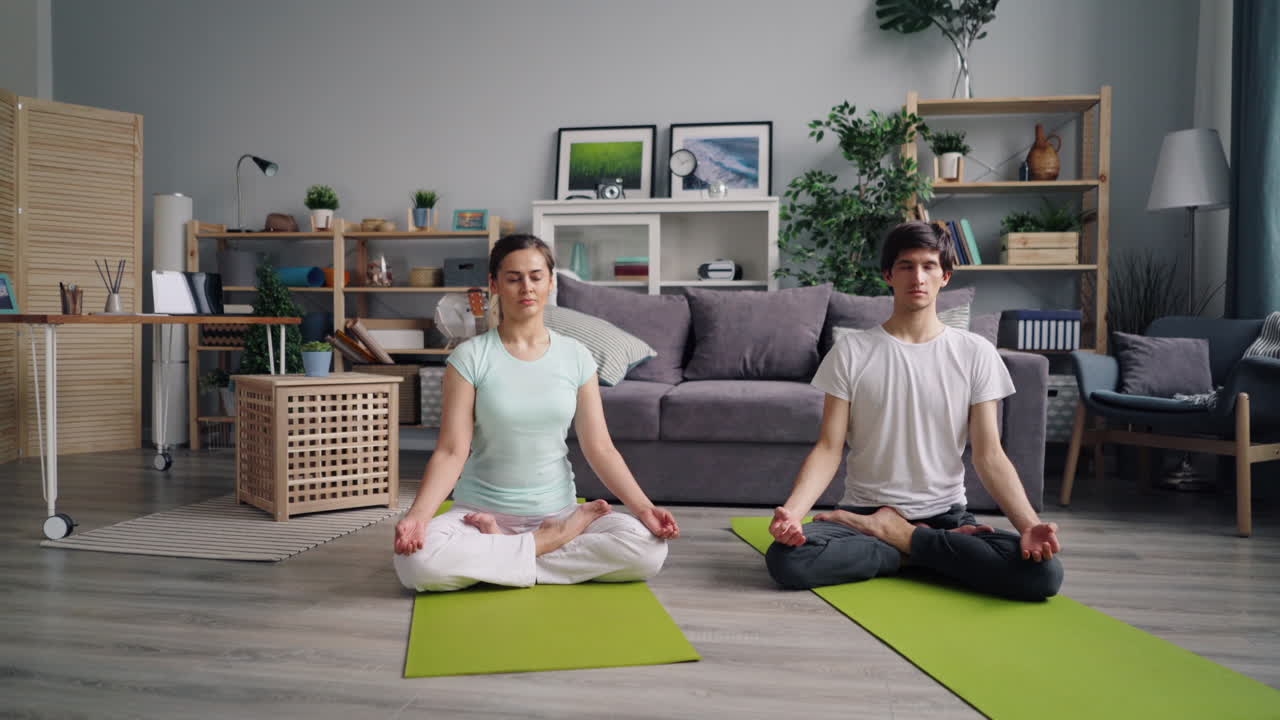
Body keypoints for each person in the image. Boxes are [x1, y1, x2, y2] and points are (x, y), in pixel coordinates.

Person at [765, 221, 1063, 601]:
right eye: (906, 266)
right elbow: (828, 448)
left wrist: (1030, 525)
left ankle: (903, 540)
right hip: (864, 515)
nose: (917, 277)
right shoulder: (852, 352)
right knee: (788, 562)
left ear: (945, 276)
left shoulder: (976, 353)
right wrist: (792, 513)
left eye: (928, 266)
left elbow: (989, 455)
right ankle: (923, 550)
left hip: (946, 516)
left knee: (1044, 575)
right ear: (888, 275)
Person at [393, 234, 679, 592]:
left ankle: (505, 556)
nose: (526, 287)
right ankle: (546, 546)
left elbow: (600, 448)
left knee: (647, 550)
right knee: (416, 564)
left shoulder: (577, 356)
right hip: (477, 514)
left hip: (557, 512)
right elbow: (451, 451)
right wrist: (418, 516)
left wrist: (643, 509)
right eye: (513, 278)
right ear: (495, 285)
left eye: (536, 276)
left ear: (551, 281)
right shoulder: (470, 357)